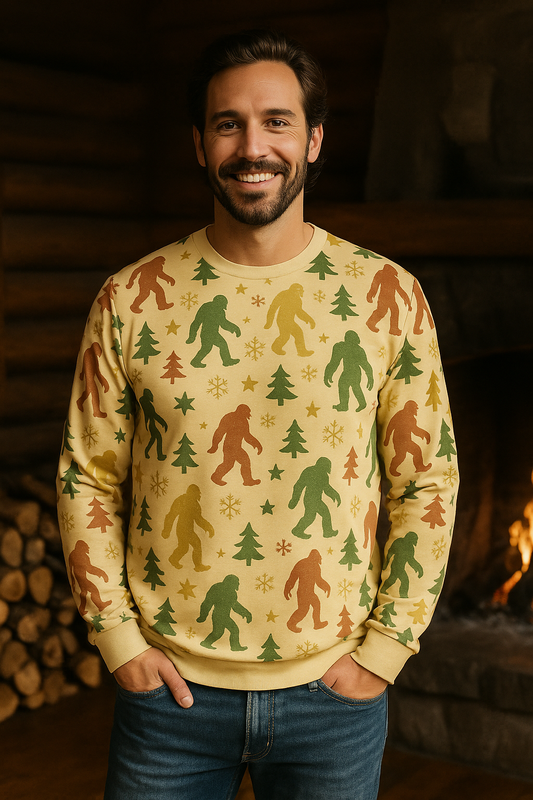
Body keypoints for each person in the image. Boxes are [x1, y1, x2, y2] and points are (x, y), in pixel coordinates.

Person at [57, 28, 458, 800]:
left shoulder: (388, 296)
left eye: (275, 121)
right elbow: (88, 478)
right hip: (167, 696)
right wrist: (118, 641)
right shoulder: (130, 297)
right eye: (227, 123)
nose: (252, 146)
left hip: (331, 700)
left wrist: (384, 649)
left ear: (312, 140)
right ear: (199, 145)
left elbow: (427, 480)